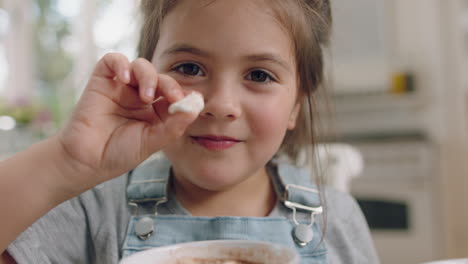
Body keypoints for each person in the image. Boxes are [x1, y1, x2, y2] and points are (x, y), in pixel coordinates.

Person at [0, 0, 379, 263]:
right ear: (146, 76)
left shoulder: (337, 220)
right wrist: (66, 162)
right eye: (190, 68)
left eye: (259, 75)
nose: (220, 103)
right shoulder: (93, 213)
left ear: (297, 103)